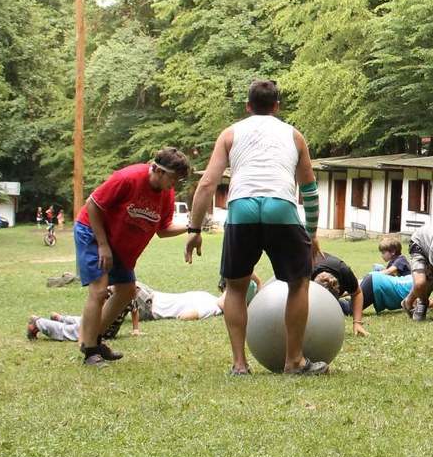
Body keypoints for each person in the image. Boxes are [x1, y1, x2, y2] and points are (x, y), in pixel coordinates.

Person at [186, 79, 327, 376]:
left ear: (248, 106)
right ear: (277, 106)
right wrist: (312, 232)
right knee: (298, 283)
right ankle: (294, 361)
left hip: (242, 208)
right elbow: (309, 189)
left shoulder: (230, 134)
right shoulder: (294, 135)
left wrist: (194, 230)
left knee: (236, 287)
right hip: (280, 208)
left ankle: (239, 365)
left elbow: (207, 183)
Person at [73, 147, 192, 366]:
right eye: (173, 178)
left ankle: (93, 340)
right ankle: (90, 351)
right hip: (93, 232)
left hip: (119, 242)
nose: (174, 184)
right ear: (158, 170)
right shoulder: (128, 178)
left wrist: (190, 227)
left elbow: (163, 229)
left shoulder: (167, 193)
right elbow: (93, 204)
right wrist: (102, 245)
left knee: (127, 290)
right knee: (99, 290)